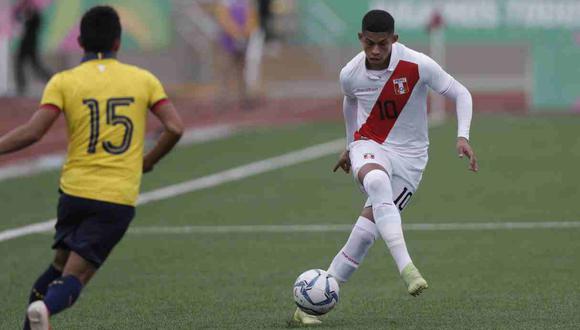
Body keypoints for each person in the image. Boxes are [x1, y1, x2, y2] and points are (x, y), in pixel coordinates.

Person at [0, 6, 184, 330]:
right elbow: (174, 127)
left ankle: (33, 321)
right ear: (118, 41)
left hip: (73, 192)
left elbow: (33, 132)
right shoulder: (142, 79)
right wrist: (148, 161)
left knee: (58, 267)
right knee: (75, 277)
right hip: (115, 196)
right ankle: (44, 311)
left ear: (81, 41)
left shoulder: (64, 81)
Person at [293, 9, 478, 325]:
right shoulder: (350, 73)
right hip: (371, 145)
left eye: (382, 44)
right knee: (377, 182)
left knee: (365, 235)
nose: (375, 51)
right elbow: (349, 101)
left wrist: (462, 136)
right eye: (369, 44)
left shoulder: (417, 65)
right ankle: (407, 268)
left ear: (394, 39)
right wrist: (351, 145)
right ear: (360, 39)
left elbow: (461, 93)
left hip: (411, 160)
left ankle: (308, 306)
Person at [13, 0, 53, 95]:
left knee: (35, 66)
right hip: (25, 44)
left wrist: (29, 7)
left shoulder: (35, 17)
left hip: (30, 45)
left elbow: (36, 19)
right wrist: (21, 7)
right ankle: (21, 86)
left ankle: (51, 79)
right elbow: (16, 15)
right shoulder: (26, 16)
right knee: (21, 64)